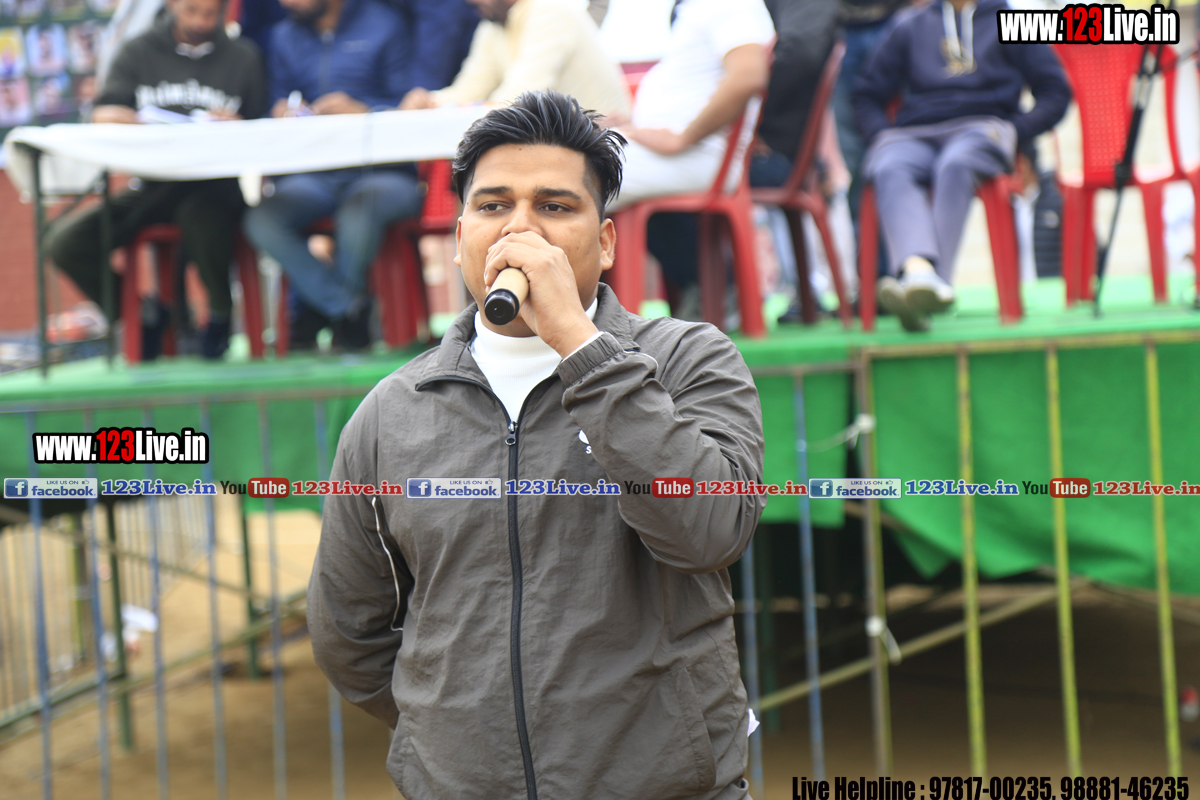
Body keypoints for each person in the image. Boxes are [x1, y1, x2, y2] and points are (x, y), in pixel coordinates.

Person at [308, 90, 766, 800]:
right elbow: (349, 634)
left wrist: (580, 346)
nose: (520, 228)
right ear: (461, 235)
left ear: (605, 242)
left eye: (554, 206)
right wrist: (454, 735)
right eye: (493, 206)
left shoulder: (686, 361)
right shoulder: (391, 412)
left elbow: (707, 529)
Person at [44, 0, 266, 359]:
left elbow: (265, 129)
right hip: (153, 184)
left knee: (202, 218)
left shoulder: (243, 57)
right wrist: (117, 117)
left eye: (211, 13)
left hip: (215, 186)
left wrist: (240, 126)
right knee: (65, 241)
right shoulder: (138, 50)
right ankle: (141, 314)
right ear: (173, 4)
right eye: (192, 10)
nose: (201, 21)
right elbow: (102, 111)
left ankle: (220, 315)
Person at [852, 0, 1069, 331]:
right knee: (888, 164)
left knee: (955, 163)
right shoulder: (909, 24)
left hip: (982, 128)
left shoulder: (1011, 20)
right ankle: (918, 273)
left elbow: (1056, 92)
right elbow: (866, 94)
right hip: (916, 133)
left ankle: (931, 282)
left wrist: (1015, 131)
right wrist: (882, 136)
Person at [243, 0, 427, 351]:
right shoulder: (283, 36)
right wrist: (281, 110)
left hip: (383, 171)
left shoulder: (385, 24)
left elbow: (415, 102)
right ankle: (347, 308)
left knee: (361, 209)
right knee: (262, 218)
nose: (286, 3)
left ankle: (319, 312)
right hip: (313, 173)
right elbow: (275, 102)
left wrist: (365, 111)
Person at [615, 0, 773, 317]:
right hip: (681, 153)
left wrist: (683, 137)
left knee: (569, 176)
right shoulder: (696, 9)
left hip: (698, 154)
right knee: (566, 169)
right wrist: (634, 125)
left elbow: (748, 76)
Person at [398, 0, 629, 122]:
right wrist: (430, 102)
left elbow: (517, 100)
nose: (469, 1)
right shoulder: (492, 24)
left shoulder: (551, 11)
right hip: (558, 143)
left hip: (603, 145)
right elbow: (470, 89)